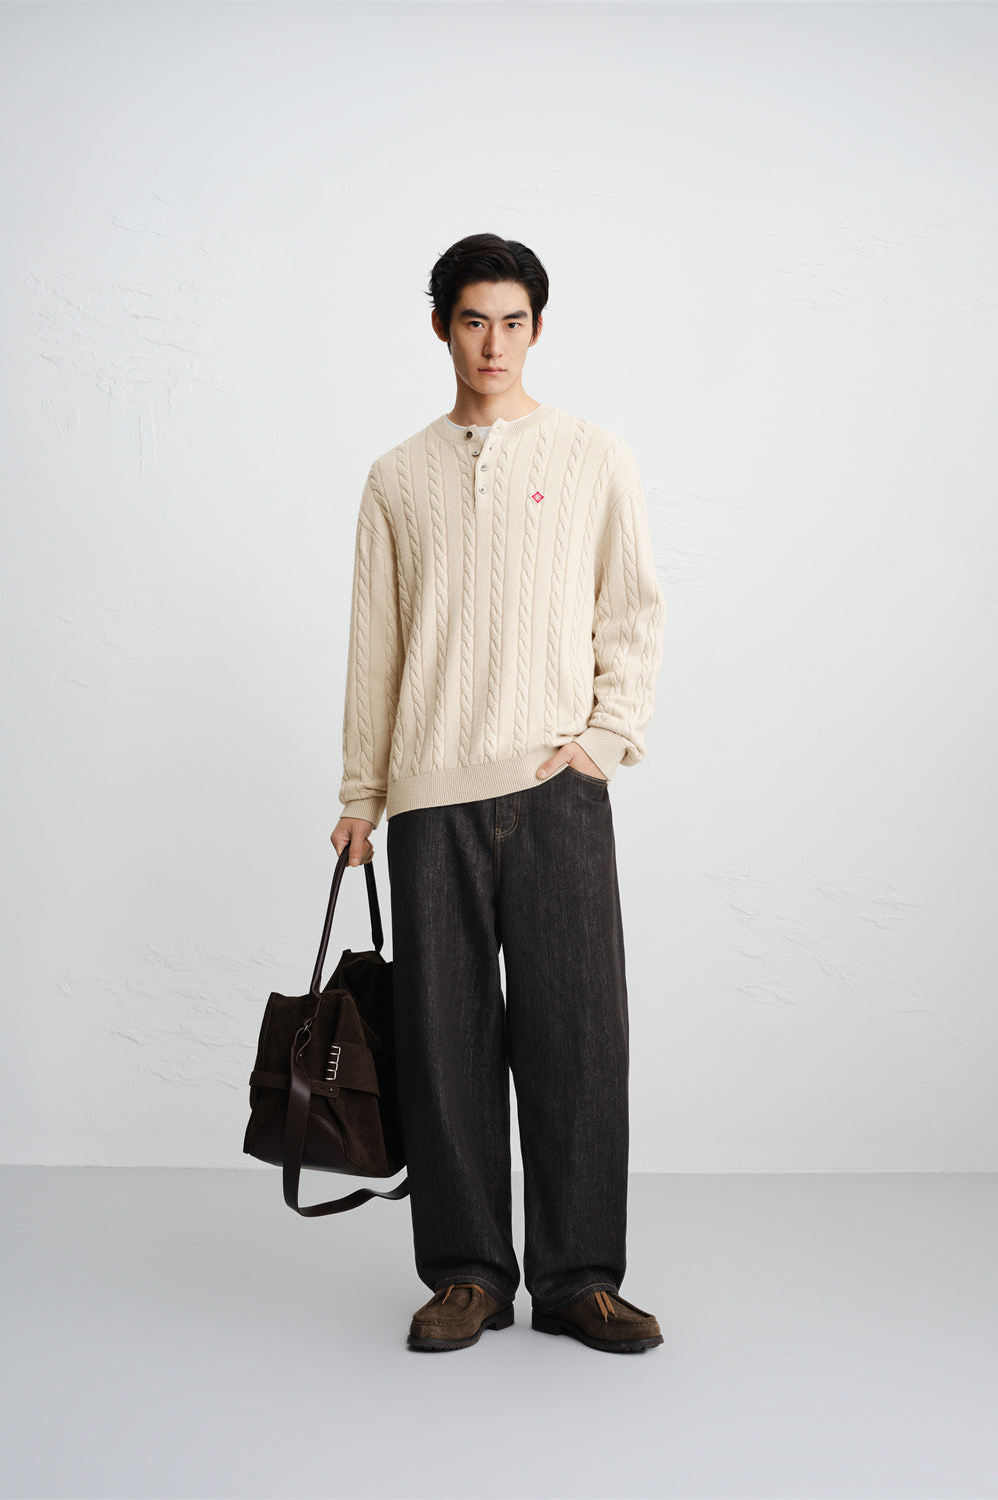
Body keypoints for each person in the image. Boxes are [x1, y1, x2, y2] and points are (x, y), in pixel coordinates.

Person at [330, 233, 667, 1354]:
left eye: (513, 322)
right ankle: (469, 1275)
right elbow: (375, 647)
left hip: (555, 787)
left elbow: (632, 609)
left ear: (537, 328)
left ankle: (579, 1279)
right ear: (441, 327)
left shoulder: (592, 455)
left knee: (578, 1035)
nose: (493, 344)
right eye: (473, 320)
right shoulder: (396, 477)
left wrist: (606, 740)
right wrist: (362, 794)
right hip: (430, 797)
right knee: (444, 1041)